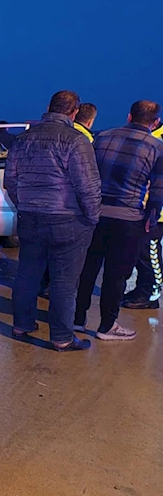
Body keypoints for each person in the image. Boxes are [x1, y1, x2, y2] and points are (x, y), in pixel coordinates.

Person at [5, 91, 101, 351]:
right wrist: (92, 219)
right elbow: (88, 187)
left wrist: (24, 205)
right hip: (66, 220)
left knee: (27, 274)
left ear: (48, 107)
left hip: (31, 218)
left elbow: (10, 182)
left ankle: (22, 324)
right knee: (64, 282)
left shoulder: (22, 139)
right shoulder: (76, 141)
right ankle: (61, 337)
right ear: (74, 112)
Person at [75, 100, 163, 340]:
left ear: (129, 116)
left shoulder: (102, 138)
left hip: (94, 215)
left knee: (87, 268)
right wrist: (151, 218)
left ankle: (77, 319)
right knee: (116, 274)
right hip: (128, 219)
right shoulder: (157, 147)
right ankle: (106, 326)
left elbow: (86, 175)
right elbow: (157, 191)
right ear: (155, 122)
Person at [38, 103, 99, 298]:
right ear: (90, 121)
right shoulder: (82, 140)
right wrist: (92, 216)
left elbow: (12, 179)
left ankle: (26, 316)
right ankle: (61, 324)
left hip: (36, 208)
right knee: (66, 269)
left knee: (36, 262)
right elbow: (85, 183)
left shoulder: (39, 133)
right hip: (67, 209)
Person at [121, 121, 163, 310]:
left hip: (155, 211)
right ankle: (142, 289)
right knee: (141, 252)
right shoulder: (153, 138)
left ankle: (151, 294)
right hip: (144, 207)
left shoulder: (157, 140)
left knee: (150, 254)